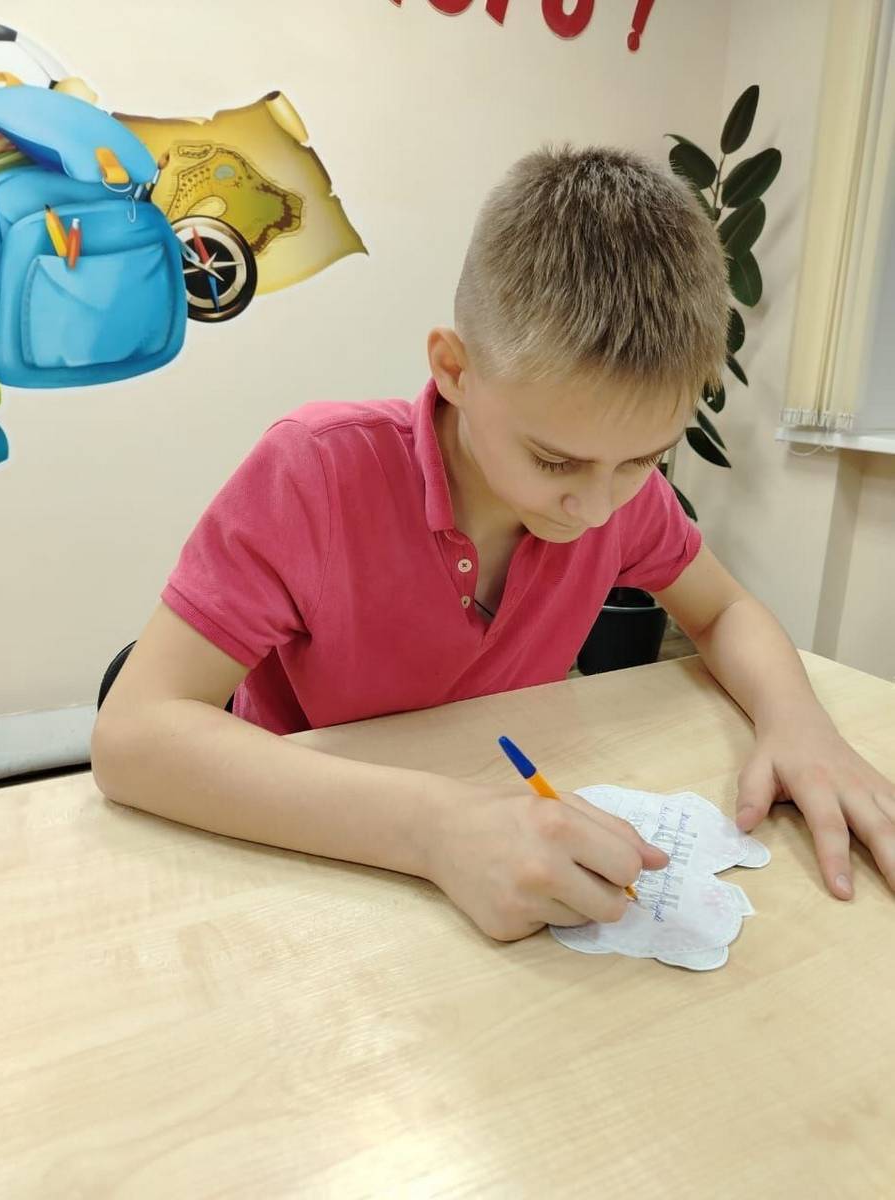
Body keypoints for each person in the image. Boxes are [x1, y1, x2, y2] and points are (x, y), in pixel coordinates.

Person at [91, 146, 895, 941]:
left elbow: (721, 611)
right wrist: (436, 828)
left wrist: (799, 723)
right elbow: (133, 735)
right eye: (554, 460)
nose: (596, 508)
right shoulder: (317, 471)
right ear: (455, 369)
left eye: (643, 460)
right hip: (300, 852)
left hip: (495, 845)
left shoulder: (620, 495)